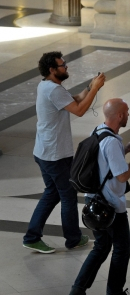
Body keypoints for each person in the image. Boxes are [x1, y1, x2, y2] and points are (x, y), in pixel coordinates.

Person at [23, 51, 105, 254]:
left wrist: (88, 88)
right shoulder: (53, 90)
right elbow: (78, 110)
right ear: (52, 70)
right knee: (67, 195)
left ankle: (32, 236)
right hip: (55, 154)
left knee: (52, 193)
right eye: (62, 65)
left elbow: (73, 100)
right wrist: (95, 89)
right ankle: (73, 239)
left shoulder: (47, 85)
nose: (66, 67)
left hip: (44, 151)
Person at [69, 99, 130, 295]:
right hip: (111, 205)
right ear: (120, 116)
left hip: (93, 200)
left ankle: (78, 289)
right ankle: (114, 292)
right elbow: (122, 175)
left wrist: (125, 149)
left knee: (101, 246)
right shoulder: (112, 141)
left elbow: (104, 161)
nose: (129, 115)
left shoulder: (98, 131)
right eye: (127, 111)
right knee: (123, 248)